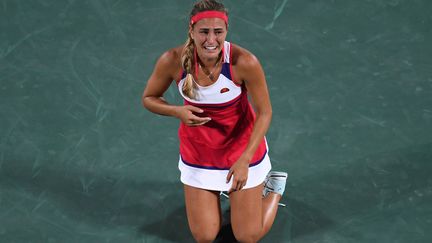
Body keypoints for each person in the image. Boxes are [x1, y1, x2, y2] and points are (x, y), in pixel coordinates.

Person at [142, 0, 288, 242]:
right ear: (192, 30)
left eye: (218, 32)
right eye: (204, 32)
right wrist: (177, 112)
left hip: (241, 149)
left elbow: (265, 113)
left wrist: (245, 160)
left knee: (247, 236)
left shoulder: (244, 62)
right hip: (199, 151)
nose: (211, 39)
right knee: (205, 236)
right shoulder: (172, 60)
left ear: (226, 32)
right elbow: (149, 98)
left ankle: (273, 189)